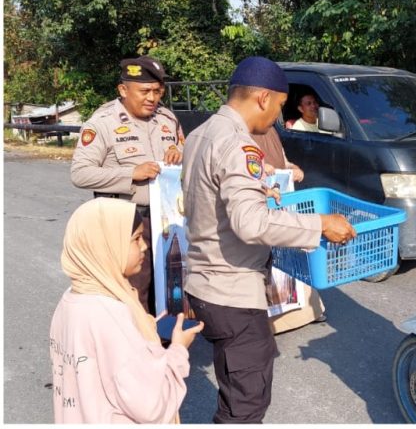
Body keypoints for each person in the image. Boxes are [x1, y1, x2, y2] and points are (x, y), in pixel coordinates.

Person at [182, 55, 356, 424]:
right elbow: (250, 223)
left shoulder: (201, 134)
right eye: (278, 106)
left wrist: (262, 190)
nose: (277, 116)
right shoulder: (238, 144)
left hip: (205, 281)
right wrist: (319, 224)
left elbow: (215, 198)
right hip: (231, 291)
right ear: (263, 98)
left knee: (236, 393)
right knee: (246, 406)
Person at [49, 198, 202, 424]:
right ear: (106, 246)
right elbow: (150, 405)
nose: (144, 246)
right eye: (136, 239)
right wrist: (178, 350)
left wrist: (144, 328)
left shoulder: (72, 299)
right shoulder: (110, 314)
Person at [71, 56, 184, 313]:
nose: (152, 98)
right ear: (123, 90)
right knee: (134, 289)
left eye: (157, 91)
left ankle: (164, 345)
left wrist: (180, 154)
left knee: (169, 286)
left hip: (166, 218)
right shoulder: (103, 123)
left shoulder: (167, 119)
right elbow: (80, 174)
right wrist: (131, 173)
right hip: (125, 220)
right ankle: (135, 346)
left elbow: (184, 151)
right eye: (144, 91)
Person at [252, 126, 327, 332]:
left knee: (290, 256)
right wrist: (259, 168)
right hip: (257, 211)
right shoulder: (237, 130)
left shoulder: (271, 131)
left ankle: (305, 312)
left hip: (280, 200)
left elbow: (282, 161)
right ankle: (265, 323)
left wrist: (293, 169)